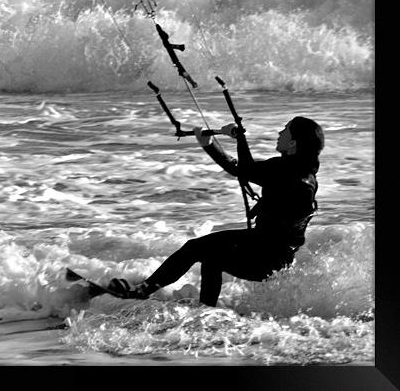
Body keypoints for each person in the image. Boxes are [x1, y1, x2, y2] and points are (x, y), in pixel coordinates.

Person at [107, 116, 325, 306]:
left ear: (294, 143)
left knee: (195, 248)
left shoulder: (287, 173)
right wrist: (209, 143)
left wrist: (240, 137)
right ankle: (205, 310)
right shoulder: (301, 174)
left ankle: (142, 292)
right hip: (274, 258)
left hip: (265, 255)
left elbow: (245, 169)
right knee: (212, 257)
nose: (279, 132)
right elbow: (238, 168)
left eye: (285, 129)